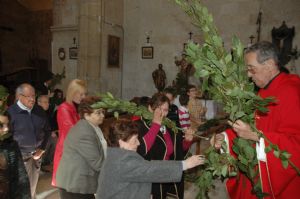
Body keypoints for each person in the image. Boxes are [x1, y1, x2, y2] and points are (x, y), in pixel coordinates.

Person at [217, 41, 300, 199]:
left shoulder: (291, 92)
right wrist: (225, 138)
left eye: (251, 69)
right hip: (258, 172)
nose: (249, 75)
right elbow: (252, 126)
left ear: (269, 65)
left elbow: (296, 144)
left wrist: (256, 136)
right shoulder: (263, 92)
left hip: (282, 183)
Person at [96, 119, 205, 199]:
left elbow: (137, 176)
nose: (138, 143)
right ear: (121, 142)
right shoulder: (121, 162)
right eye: (135, 140)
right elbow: (150, 169)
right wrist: (184, 164)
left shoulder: (117, 155)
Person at [135, 93, 194, 199]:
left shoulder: (170, 126)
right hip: (150, 178)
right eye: (159, 109)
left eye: (166, 110)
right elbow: (141, 150)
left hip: (167, 174)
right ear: (150, 108)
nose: (162, 114)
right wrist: (155, 125)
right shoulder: (140, 126)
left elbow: (178, 152)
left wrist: (187, 141)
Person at [56, 96, 106, 199]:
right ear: (86, 115)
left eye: (103, 112)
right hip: (75, 185)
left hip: (81, 182)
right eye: (98, 113)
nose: (102, 115)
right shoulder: (84, 132)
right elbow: (97, 163)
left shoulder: (93, 126)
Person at [7, 83, 51, 198]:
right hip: (20, 156)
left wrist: (42, 149)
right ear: (20, 96)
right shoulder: (11, 112)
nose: (32, 99)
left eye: (34, 96)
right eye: (28, 96)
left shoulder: (39, 111)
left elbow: (47, 131)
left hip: (37, 155)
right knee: (21, 187)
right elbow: (6, 136)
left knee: (32, 186)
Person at [52, 79, 87, 186]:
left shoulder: (74, 108)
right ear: (72, 93)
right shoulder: (64, 108)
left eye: (85, 94)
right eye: (81, 94)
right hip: (67, 152)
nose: (84, 97)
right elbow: (73, 131)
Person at [0, 111, 31, 199]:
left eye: (7, 124)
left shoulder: (11, 145)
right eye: (1, 125)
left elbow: (21, 177)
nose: (6, 129)